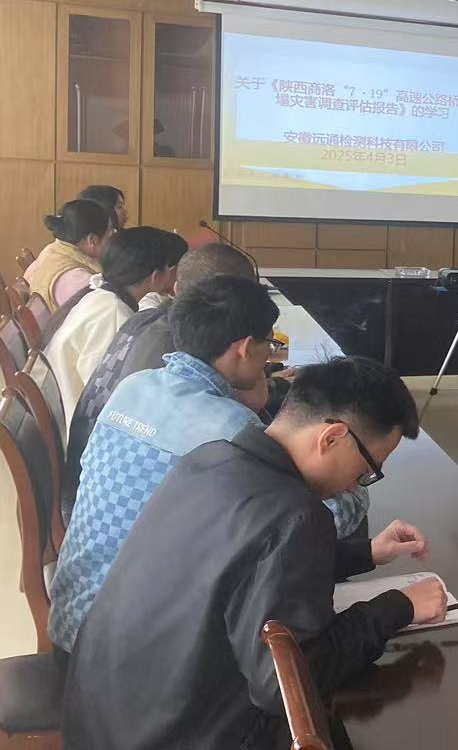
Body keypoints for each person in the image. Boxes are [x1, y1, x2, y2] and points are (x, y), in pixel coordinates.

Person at [60, 356, 440, 750]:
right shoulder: (296, 514)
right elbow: (288, 685)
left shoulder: (211, 461)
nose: (358, 485)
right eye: (368, 470)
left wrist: (365, 554)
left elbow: (242, 565)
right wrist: (396, 608)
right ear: (332, 437)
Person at [48, 276, 282, 653]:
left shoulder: (135, 386)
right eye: (269, 345)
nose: (269, 356)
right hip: (126, 654)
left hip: (69, 617)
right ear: (243, 347)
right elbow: (310, 520)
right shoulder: (232, 427)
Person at [62, 242, 262, 510]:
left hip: (93, 489)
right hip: (108, 497)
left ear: (176, 287)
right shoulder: (180, 347)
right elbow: (248, 411)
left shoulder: (150, 320)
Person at [39, 226, 187, 417]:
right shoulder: (113, 312)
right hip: (76, 420)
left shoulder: (100, 295)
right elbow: (106, 391)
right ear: (156, 276)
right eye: (174, 271)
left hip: (66, 410)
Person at [24, 198, 113, 312]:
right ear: (92, 240)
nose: (113, 238)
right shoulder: (80, 281)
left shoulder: (52, 249)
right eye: (110, 233)